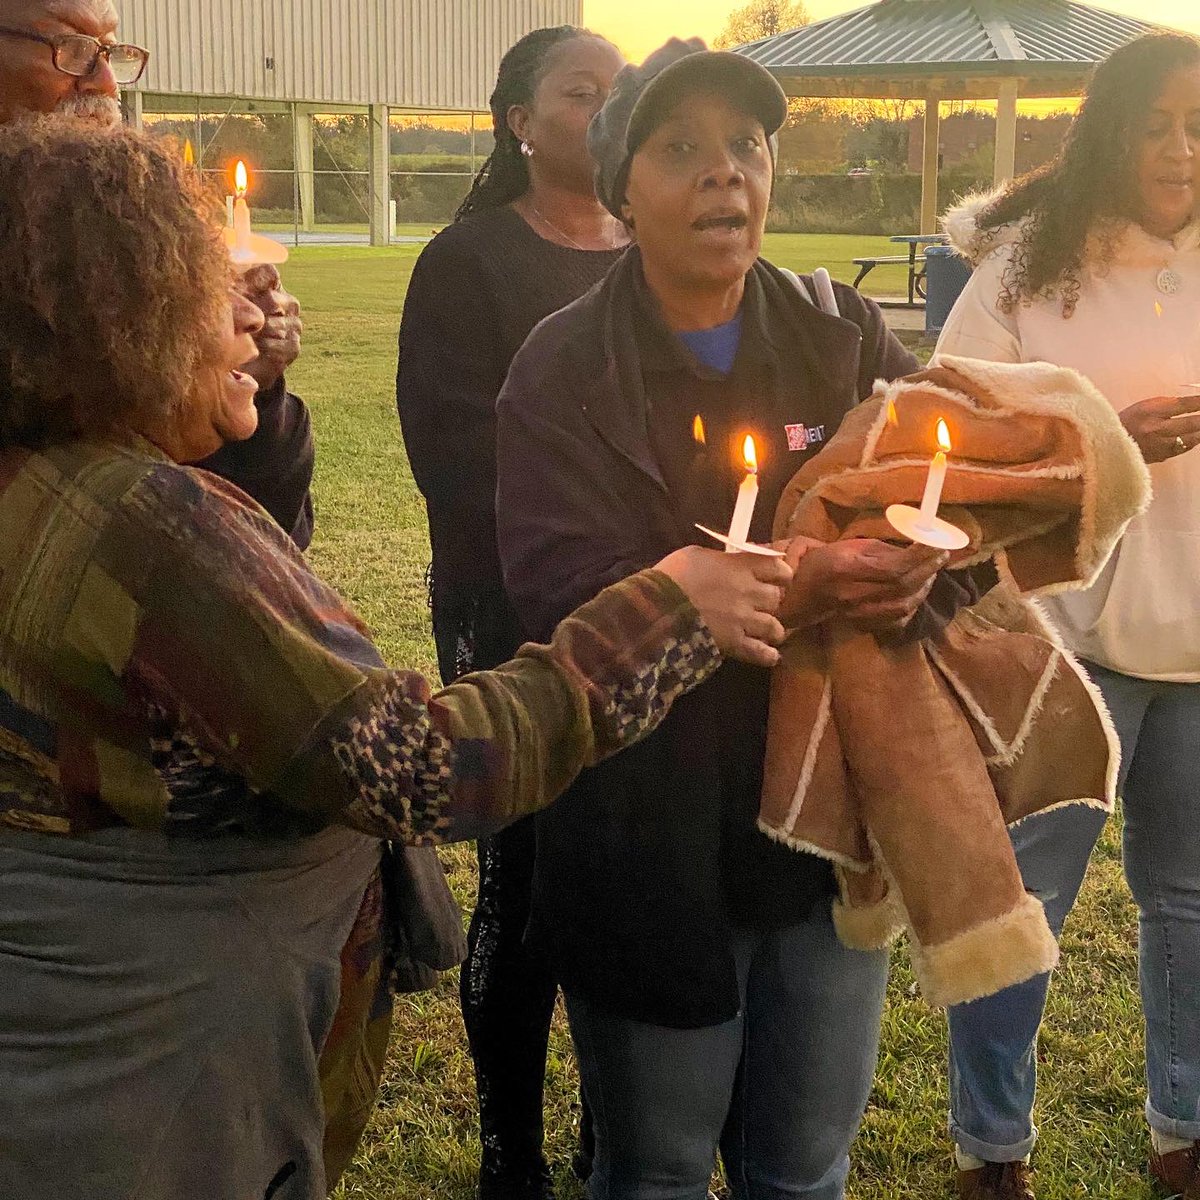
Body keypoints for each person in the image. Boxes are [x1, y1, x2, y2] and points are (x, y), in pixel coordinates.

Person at [0, 122, 794, 1200]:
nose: (251, 311)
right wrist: (666, 612)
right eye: (201, 286)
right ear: (112, 316)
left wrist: (253, 407)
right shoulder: (145, 531)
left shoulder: (39, 481)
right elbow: (419, 770)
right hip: (170, 1085)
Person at [496, 39, 962, 1200]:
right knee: (652, 1168)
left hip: (817, 827)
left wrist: (920, 578)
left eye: (746, 148)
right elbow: (556, 590)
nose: (724, 176)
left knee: (803, 1168)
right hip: (644, 837)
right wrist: (776, 587)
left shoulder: (840, 337)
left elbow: (948, 521)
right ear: (623, 188)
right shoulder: (563, 371)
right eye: (681, 149)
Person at [936, 30, 1200, 1200]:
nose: (1182, 151)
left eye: (1199, 125)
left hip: (1198, 652)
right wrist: (1099, 446)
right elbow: (943, 442)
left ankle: (1185, 1132)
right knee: (1020, 910)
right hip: (1055, 646)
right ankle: (993, 1154)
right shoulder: (1023, 273)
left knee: (1190, 905)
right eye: (1155, 125)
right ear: (1108, 133)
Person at [397, 25, 630, 1199]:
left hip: (652, 618)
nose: (603, 109)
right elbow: (450, 455)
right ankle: (512, 1157)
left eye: (617, 92)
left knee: (623, 878)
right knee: (528, 884)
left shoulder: (657, 256)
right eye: (578, 92)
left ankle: (612, 1137)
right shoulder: (469, 263)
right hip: (510, 611)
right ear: (518, 121)